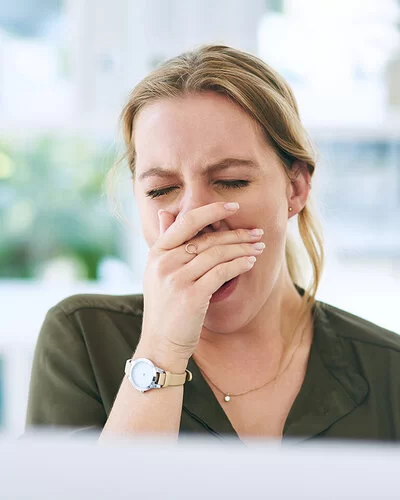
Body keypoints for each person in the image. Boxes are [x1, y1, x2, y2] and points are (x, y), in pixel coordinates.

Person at [26, 45, 400, 442]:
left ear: (295, 188)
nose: (195, 219)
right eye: (162, 190)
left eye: (231, 181)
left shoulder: (388, 370)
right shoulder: (82, 339)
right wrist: (160, 351)